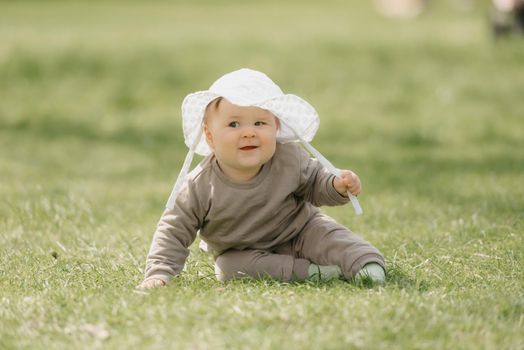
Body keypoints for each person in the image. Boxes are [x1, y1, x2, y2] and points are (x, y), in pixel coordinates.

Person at [138, 68, 386, 290]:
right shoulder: (200, 185)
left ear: (275, 128)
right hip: (243, 251)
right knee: (228, 268)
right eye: (234, 124)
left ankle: (365, 264)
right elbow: (174, 228)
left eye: (259, 122)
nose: (248, 132)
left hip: (300, 230)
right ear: (210, 136)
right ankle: (313, 273)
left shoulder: (289, 158)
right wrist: (160, 273)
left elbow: (315, 183)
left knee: (332, 238)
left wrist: (337, 186)